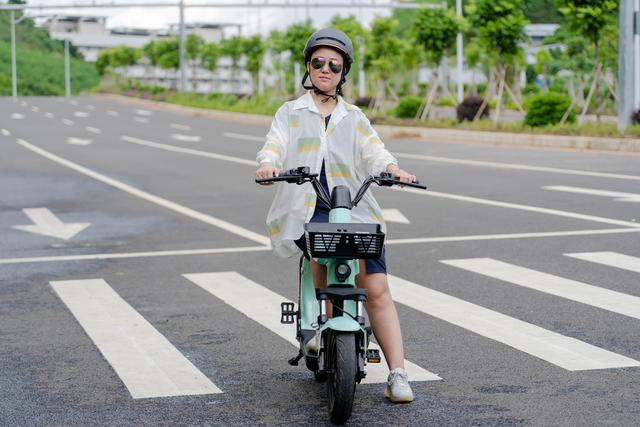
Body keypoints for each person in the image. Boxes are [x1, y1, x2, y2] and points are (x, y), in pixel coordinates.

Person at [255, 28, 417, 403]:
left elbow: (375, 152)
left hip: (355, 209)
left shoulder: (354, 117)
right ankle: (317, 329)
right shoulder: (290, 113)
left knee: (376, 290)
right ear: (308, 67)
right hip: (308, 207)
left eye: (334, 64)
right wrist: (267, 166)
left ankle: (398, 373)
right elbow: (274, 146)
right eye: (318, 62)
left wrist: (392, 169)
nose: (325, 69)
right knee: (319, 255)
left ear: (343, 72)